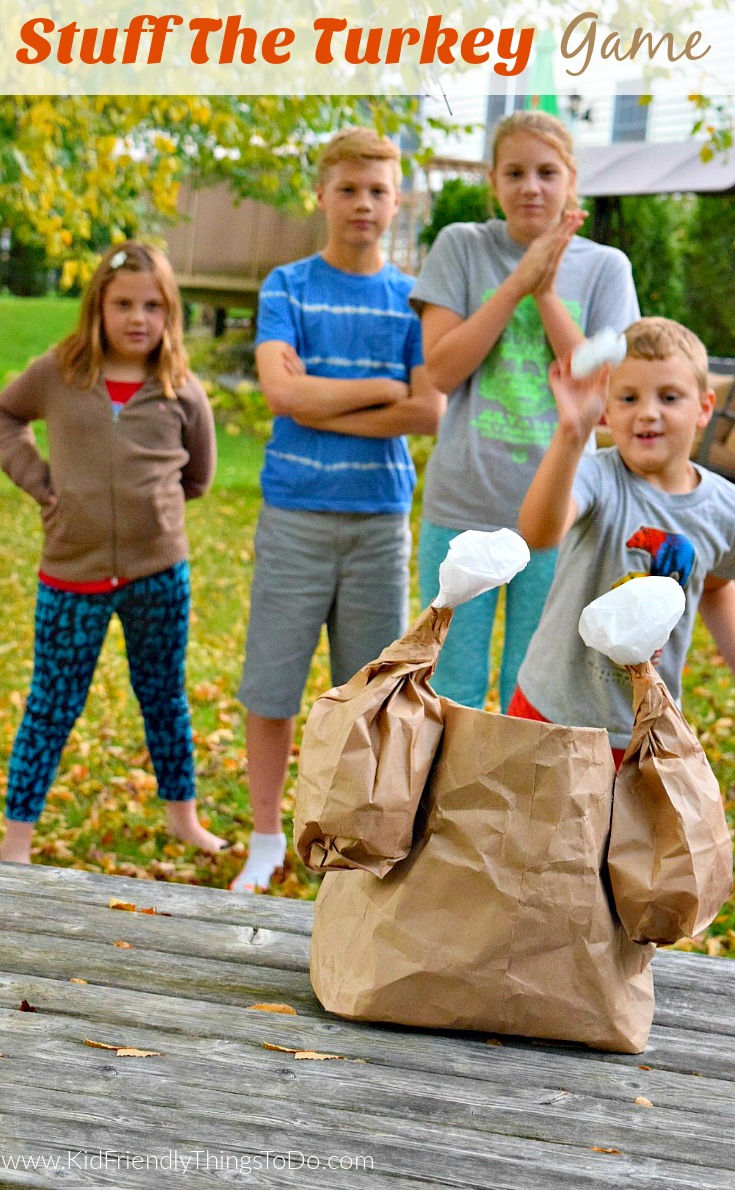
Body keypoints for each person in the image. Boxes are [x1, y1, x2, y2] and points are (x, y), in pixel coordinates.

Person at [232, 126, 444, 893]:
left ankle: (357, 841)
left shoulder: (411, 301)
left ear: (397, 202)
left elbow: (429, 411)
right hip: (294, 513)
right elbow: (281, 394)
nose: (362, 203)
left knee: (372, 696)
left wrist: (326, 401)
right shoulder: (286, 286)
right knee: (272, 685)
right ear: (319, 194)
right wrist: (381, 389)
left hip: (378, 520)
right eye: (348, 189)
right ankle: (264, 838)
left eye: (377, 191)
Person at [0, 241, 225, 865]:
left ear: (170, 314)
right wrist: (42, 484)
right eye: (123, 303)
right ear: (97, 305)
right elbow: (6, 414)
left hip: (158, 578)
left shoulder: (182, 390)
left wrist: (154, 514)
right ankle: (15, 840)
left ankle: (185, 817)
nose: (138, 318)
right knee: (50, 703)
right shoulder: (58, 372)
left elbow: (199, 478)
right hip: (71, 575)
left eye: (153, 306)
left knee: (164, 698)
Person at [410, 110, 640, 713]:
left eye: (546, 172)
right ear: (493, 181)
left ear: (571, 180)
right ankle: (442, 809)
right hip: (462, 507)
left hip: (562, 513)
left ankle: (516, 812)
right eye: (514, 172)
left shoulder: (605, 267)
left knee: (534, 691)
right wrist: (514, 284)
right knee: (448, 688)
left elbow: (608, 387)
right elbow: (442, 369)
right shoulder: (462, 246)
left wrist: (544, 292)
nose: (530, 186)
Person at [509, 315, 735, 766]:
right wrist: (572, 433)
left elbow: (716, 585)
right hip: (549, 717)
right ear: (608, 411)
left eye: (669, 397)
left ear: (705, 407)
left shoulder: (725, 508)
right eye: (628, 397)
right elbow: (538, 533)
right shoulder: (595, 475)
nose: (647, 411)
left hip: (643, 732)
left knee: (622, 840)